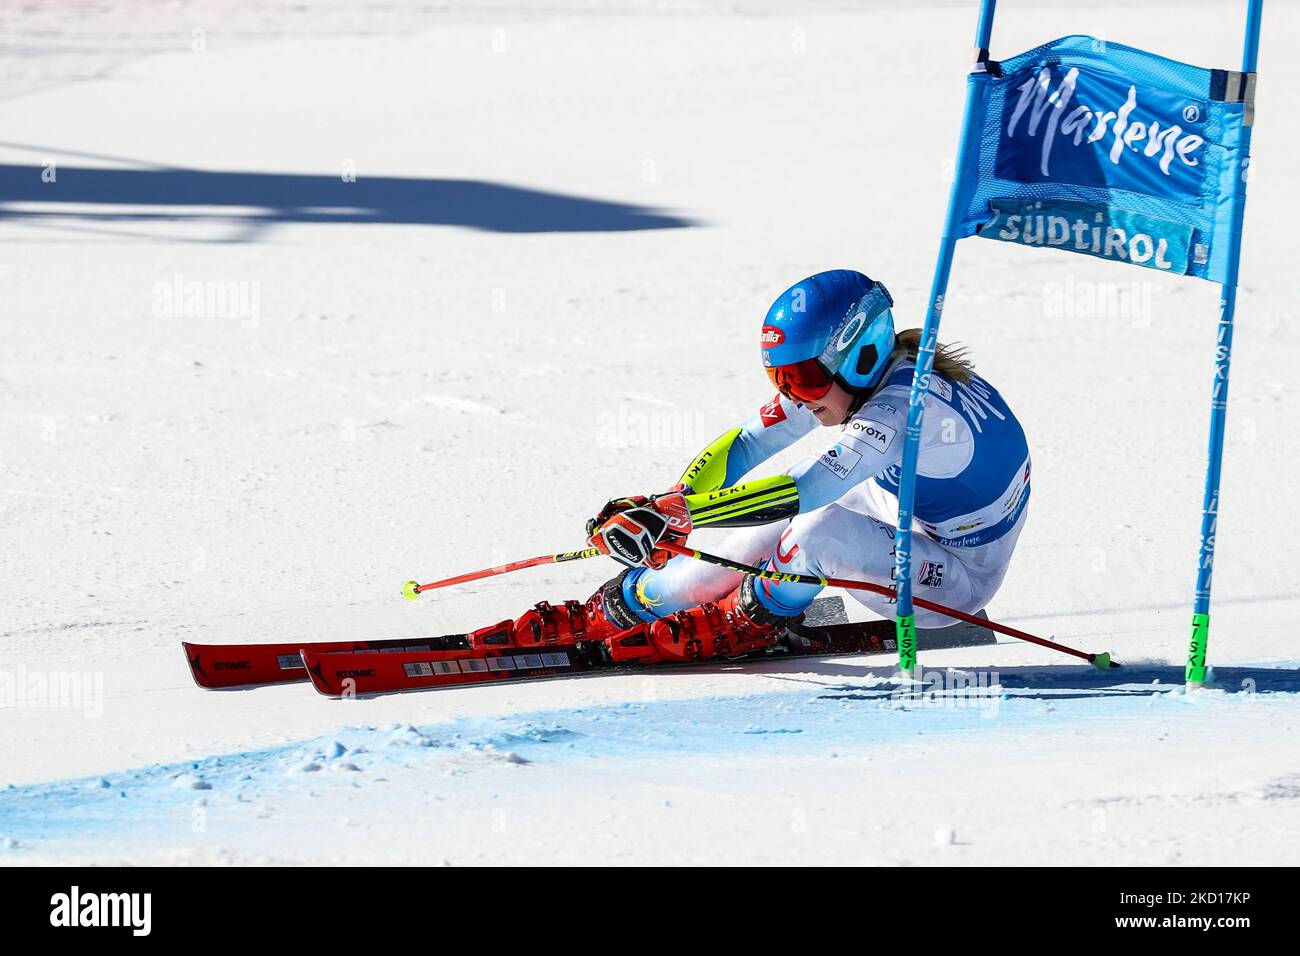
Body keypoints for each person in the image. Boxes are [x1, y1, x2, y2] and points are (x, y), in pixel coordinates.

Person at [493, 269, 1031, 665]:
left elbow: (812, 486)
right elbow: (750, 444)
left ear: (861, 352)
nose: (794, 396)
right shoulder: (855, 379)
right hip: (895, 513)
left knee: (817, 529)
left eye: (803, 381)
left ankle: (748, 621)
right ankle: (622, 608)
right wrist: (670, 504)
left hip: (955, 578)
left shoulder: (904, 410)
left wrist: (680, 514)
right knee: (740, 537)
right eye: (782, 380)